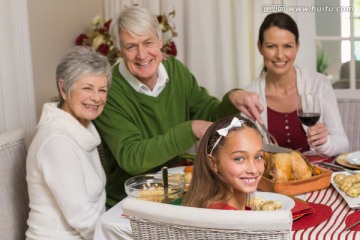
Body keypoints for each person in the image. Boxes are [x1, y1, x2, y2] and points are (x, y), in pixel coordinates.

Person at [94, 5, 257, 207]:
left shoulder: (175, 70)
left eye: (148, 42)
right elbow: (132, 157)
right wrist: (190, 129)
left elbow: (209, 114)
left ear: (160, 42)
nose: (142, 54)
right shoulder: (109, 90)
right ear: (119, 51)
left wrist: (232, 99)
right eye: (131, 47)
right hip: (129, 203)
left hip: (176, 194)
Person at [26, 46, 112, 240]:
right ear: (64, 89)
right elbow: (83, 219)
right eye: (87, 88)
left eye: (102, 90)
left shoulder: (81, 129)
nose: (96, 98)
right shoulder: (56, 142)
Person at [244, 12, 348, 156]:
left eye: (287, 46)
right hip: (274, 178)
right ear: (259, 47)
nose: (280, 55)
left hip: (319, 174)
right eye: (271, 46)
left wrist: (325, 142)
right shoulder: (249, 96)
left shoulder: (318, 84)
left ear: (297, 47)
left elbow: (342, 144)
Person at [182, 116, 264, 210]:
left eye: (258, 157)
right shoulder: (226, 219)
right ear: (213, 163)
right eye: (239, 158)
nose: (253, 170)